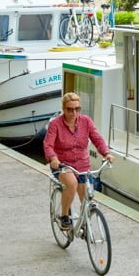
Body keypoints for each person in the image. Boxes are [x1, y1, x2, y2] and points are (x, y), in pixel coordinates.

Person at [44, 92, 114, 230]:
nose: (74, 112)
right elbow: (48, 144)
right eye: (70, 109)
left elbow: (97, 138)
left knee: (86, 199)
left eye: (77, 109)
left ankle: (84, 224)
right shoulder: (55, 124)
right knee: (71, 184)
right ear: (63, 109)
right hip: (62, 164)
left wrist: (106, 153)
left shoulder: (86, 121)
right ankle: (64, 215)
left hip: (82, 164)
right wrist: (53, 158)